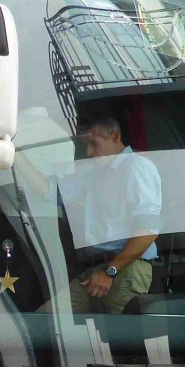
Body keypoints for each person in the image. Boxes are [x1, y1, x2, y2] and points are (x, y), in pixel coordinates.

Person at [29, 111, 162, 314]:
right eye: (86, 146)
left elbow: (148, 231)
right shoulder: (93, 175)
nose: (89, 153)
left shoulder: (137, 167)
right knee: (43, 324)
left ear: (115, 137)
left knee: (122, 340)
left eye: (94, 144)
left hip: (125, 268)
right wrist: (13, 155)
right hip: (94, 270)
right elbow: (49, 191)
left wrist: (111, 271)